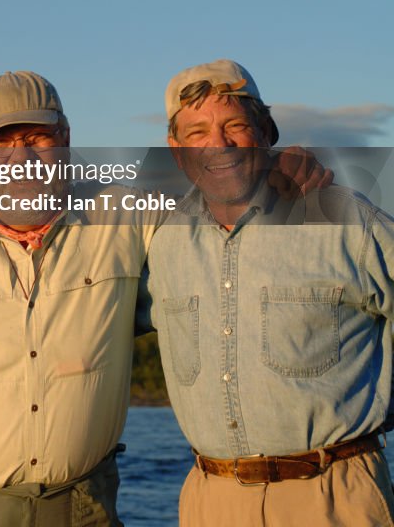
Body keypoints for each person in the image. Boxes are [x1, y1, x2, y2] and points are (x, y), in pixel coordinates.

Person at [0, 69, 332, 527]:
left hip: (80, 509)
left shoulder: (127, 214)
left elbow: (218, 213)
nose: (20, 158)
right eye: (0, 144)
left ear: (65, 138)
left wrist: (277, 170)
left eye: (37, 139)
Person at [147, 58, 394, 527]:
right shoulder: (162, 242)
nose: (217, 144)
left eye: (235, 126)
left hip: (333, 498)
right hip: (209, 502)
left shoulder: (340, 217)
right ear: (175, 151)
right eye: (196, 132)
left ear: (266, 132)